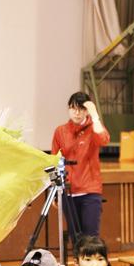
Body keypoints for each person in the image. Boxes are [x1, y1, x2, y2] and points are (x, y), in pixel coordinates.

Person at [51, 92, 110, 237]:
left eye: (81, 109)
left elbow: (104, 139)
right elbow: (54, 161)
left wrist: (94, 115)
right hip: (68, 191)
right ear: (69, 109)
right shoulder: (60, 131)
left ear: (87, 111)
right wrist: (55, 192)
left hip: (90, 191)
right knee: (75, 237)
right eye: (73, 108)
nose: (77, 113)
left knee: (91, 237)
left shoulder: (93, 128)